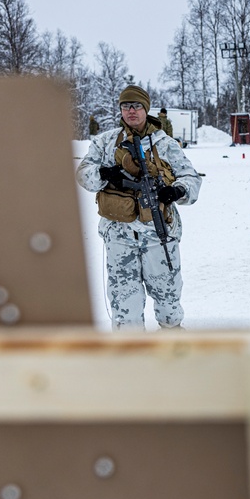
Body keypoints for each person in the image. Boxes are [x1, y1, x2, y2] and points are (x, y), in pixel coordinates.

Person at [76, 84, 202, 330]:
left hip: (158, 235)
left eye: (136, 106)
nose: (130, 111)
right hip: (119, 237)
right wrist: (104, 173)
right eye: (125, 106)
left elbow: (191, 178)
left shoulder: (165, 144)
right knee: (124, 304)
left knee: (168, 302)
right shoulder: (106, 142)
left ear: (145, 108)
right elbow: (82, 174)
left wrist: (177, 190)